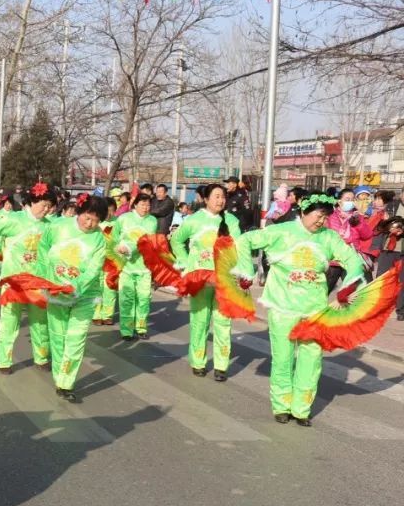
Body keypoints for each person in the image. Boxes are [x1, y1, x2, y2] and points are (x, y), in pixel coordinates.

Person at [233, 195, 366, 426]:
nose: (321, 220)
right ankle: (282, 406)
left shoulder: (329, 237)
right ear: (304, 212)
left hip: (315, 309)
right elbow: (244, 241)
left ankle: (302, 409)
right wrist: (247, 271)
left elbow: (352, 259)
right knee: (283, 358)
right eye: (317, 215)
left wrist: (349, 285)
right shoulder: (281, 231)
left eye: (325, 216)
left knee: (312, 359)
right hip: (283, 307)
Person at [0, 183, 56, 374]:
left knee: (40, 322)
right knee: (9, 321)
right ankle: (4, 361)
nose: (46, 209)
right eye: (44, 205)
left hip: (37, 281)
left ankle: (41, 357)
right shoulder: (13, 220)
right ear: (33, 201)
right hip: (14, 281)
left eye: (50, 206)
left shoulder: (50, 226)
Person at [36, 195, 107, 401]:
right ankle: (60, 377)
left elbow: (94, 269)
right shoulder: (58, 227)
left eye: (95, 220)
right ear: (79, 211)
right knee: (58, 338)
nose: (90, 223)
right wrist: (43, 278)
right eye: (87, 217)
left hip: (84, 295)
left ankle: (66, 383)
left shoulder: (99, 239)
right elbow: (43, 248)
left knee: (75, 339)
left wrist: (75, 287)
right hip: (55, 292)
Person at [169, 183, 241, 381]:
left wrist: (239, 270)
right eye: (216, 196)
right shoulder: (194, 220)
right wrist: (184, 262)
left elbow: (240, 246)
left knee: (222, 323)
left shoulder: (231, 220)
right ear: (206, 199)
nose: (220, 200)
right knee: (200, 321)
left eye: (223, 196)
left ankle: (221, 366)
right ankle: (198, 362)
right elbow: (176, 240)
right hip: (199, 279)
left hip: (223, 279)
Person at [114, 193, 157, 340]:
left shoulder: (152, 221)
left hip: (144, 267)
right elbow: (113, 238)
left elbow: (146, 242)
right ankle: (126, 330)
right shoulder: (123, 219)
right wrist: (118, 249)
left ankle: (141, 327)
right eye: (143, 204)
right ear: (135, 204)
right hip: (126, 266)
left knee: (144, 298)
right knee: (126, 299)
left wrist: (129, 248)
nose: (146, 208)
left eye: (148, 205)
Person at [93, 197, 119, 325]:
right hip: (97, 260)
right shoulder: (96, 223)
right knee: (97, 288)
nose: (109, 214)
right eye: (107, 210)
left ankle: (107, 315)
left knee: (110, 288)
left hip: (112, 261)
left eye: (112, 211)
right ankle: (96, 314)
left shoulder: (118, 223)